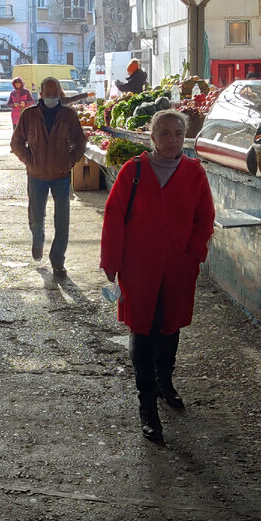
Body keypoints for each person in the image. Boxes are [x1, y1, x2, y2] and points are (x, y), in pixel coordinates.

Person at [100, 109, 215, 441]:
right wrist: (111, 261)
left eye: (178, 133)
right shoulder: (133, 171)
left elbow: (205, 217)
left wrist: (193, 253)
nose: (172, 140)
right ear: (152, 137)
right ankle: (147, 403)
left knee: (169, 326)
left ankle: (165, 382)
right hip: (139, 267)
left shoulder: (194, 172)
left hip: (178, 267)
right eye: (164, 133)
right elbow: (113, 216)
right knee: (143, 330)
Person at [10, 77, 87, 277]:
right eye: (48, 94)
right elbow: (16, 143)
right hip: (36, 175)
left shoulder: (68, 115)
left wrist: (70, 161)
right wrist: (30, 161)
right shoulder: (30, 115)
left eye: (55, 94)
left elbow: (80, 142)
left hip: (61, 175)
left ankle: (58, 260)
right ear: (41, 94)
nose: (52, 97)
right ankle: (38, 240)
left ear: (59, 94)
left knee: (62, 220)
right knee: (36, 216)